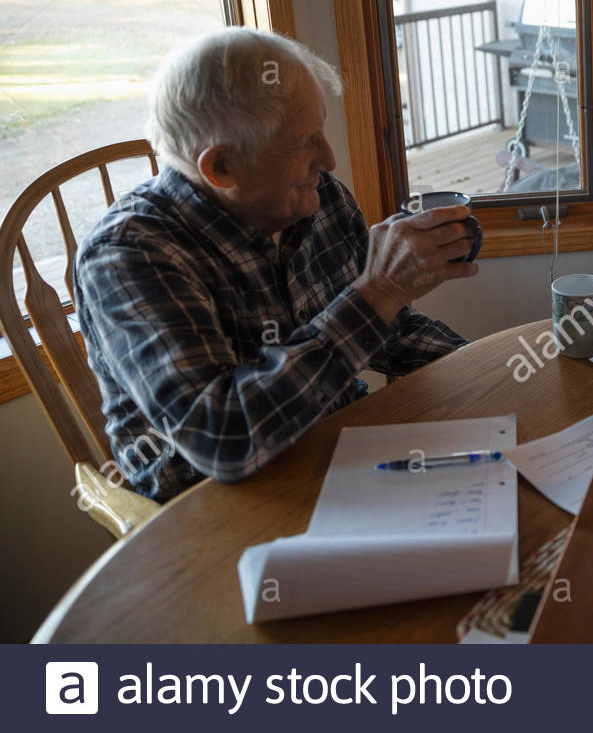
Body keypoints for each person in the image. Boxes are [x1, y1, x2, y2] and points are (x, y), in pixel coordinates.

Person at [75, 28, 478, 501]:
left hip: (339, 455)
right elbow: (223, 441)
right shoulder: (129, 255)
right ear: (220, 168)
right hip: (210, 509)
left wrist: (490, 373)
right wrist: (380, 293)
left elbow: (387, 333)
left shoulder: (316, 198)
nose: (328, 159)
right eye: (305, 141)